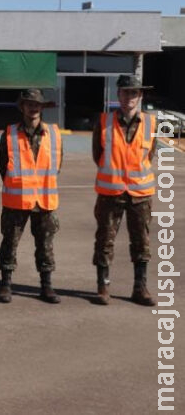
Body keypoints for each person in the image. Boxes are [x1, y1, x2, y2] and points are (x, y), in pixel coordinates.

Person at [92, 74, 158, 306]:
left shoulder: (151, 123)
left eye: (134, 93)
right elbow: (97, 155)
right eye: (125, 92)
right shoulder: (103, 122)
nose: (129, 96)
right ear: (117, 94)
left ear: (139, 96)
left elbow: (149, 155)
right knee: (105, 240)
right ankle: (103, 287)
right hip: (111, 193)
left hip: (140, 194)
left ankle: (140, 288)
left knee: (141, 241)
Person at [0, 89, 62, 304]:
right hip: (17, 201)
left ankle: (46, 285)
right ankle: (6, 284)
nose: (33, 108)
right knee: (9, 244)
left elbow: (57, 165)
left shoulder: (53, 134)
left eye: (37, 104)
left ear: (42, 108)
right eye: (29, 104)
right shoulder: (10, 133)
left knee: (45, 245)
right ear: (22, 107)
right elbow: (2, 165)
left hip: (44, 201)